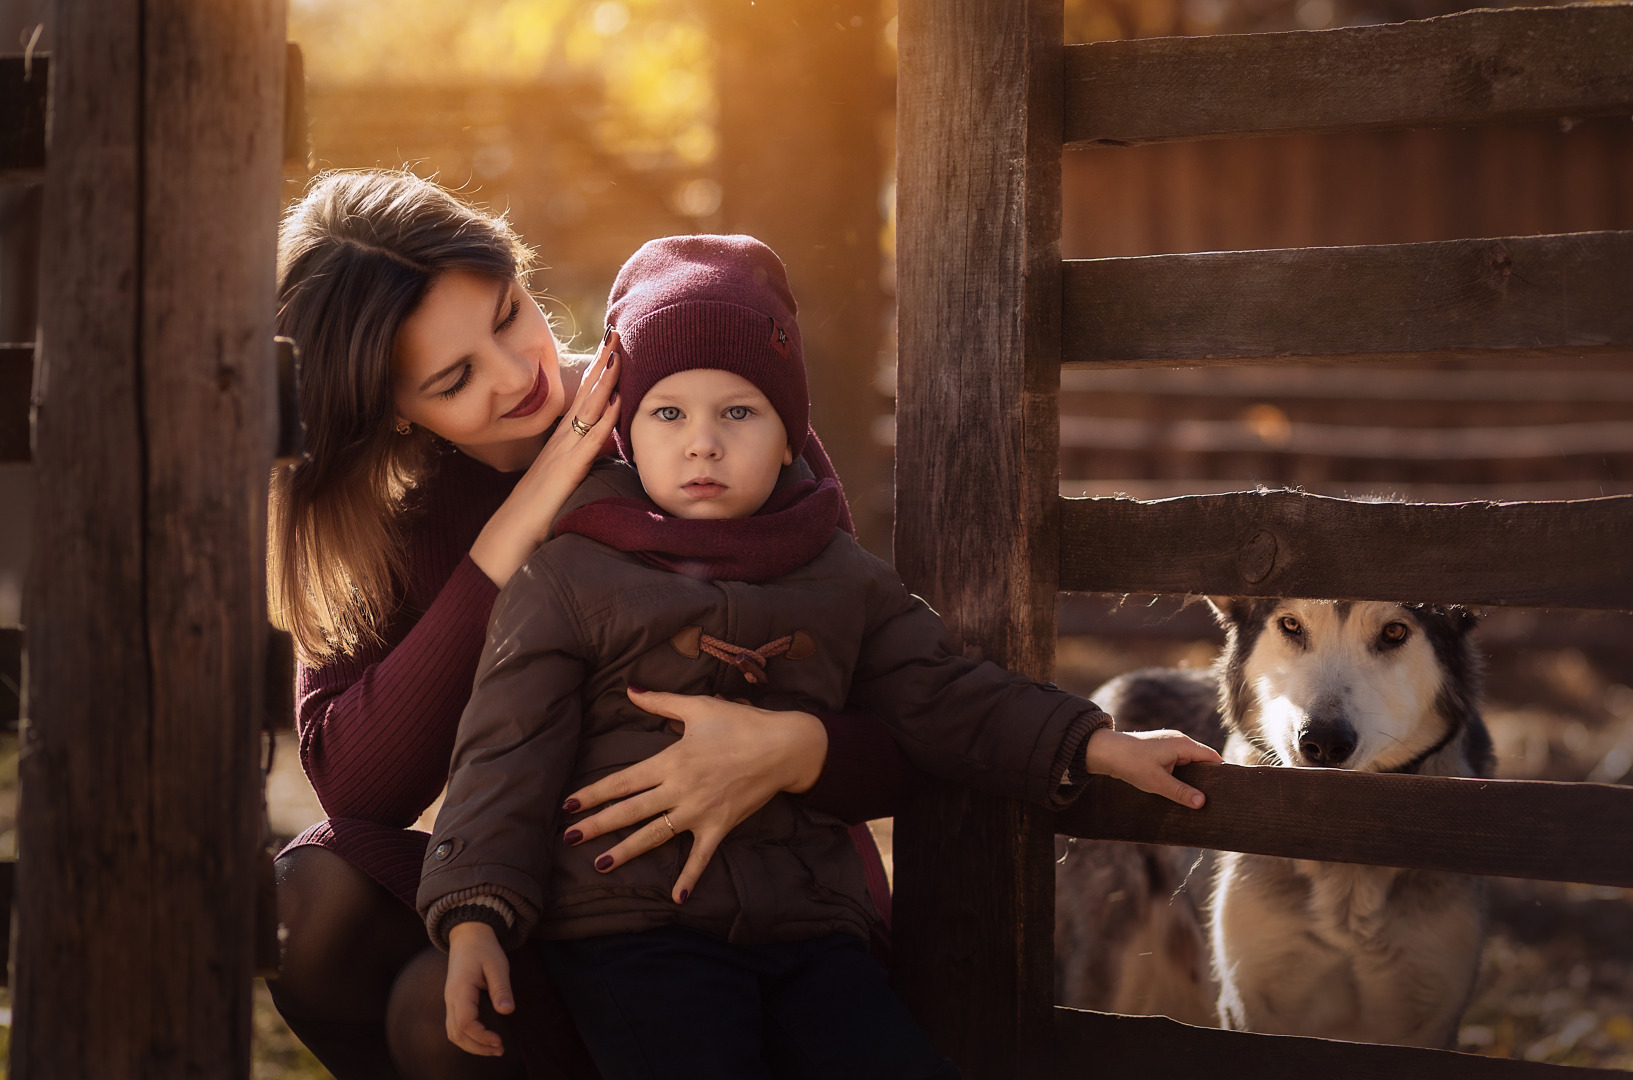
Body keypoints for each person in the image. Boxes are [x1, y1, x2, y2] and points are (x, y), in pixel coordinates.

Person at [419, 235, 1221, 1080]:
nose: (702, 443)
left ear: (788, 433)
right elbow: (505, 749)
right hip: (631, 929)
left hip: (808, 928)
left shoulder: (842, 575)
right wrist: (475, 915)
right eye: (668, 413)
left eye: (738, 412)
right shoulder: (569, 574)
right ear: (625, 429)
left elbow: (947, 693)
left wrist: (1100, 745)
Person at [267, 172, 906, 1080]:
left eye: (507, 314)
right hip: (531, 877)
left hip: (742, 907)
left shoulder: (696, 417)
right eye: (453, 379)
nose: (518, 374)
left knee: (431, 1013)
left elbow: (900, 704)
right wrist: (516, 526)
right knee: (308, 903)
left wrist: (793, 747)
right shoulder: (390, 516)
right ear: (389, 414)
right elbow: (357, 790)